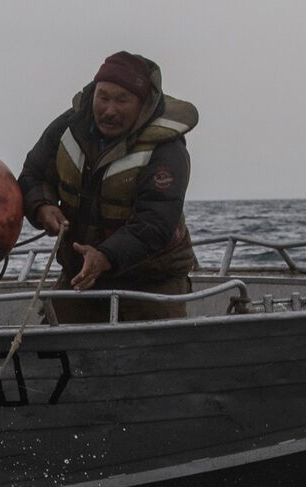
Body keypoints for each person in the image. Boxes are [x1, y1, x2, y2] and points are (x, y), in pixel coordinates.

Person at [18, 51, 199, 322]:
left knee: (153, 353)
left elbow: (156, 221)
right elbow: (32, 175)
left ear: (143, 104)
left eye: (121, 100)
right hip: (79, 275)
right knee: (53, 344)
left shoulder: (167, 150)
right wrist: (42, 206)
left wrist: (106, 255)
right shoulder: (67, 128)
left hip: (151, 281)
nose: (110, 110)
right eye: (103, 97)